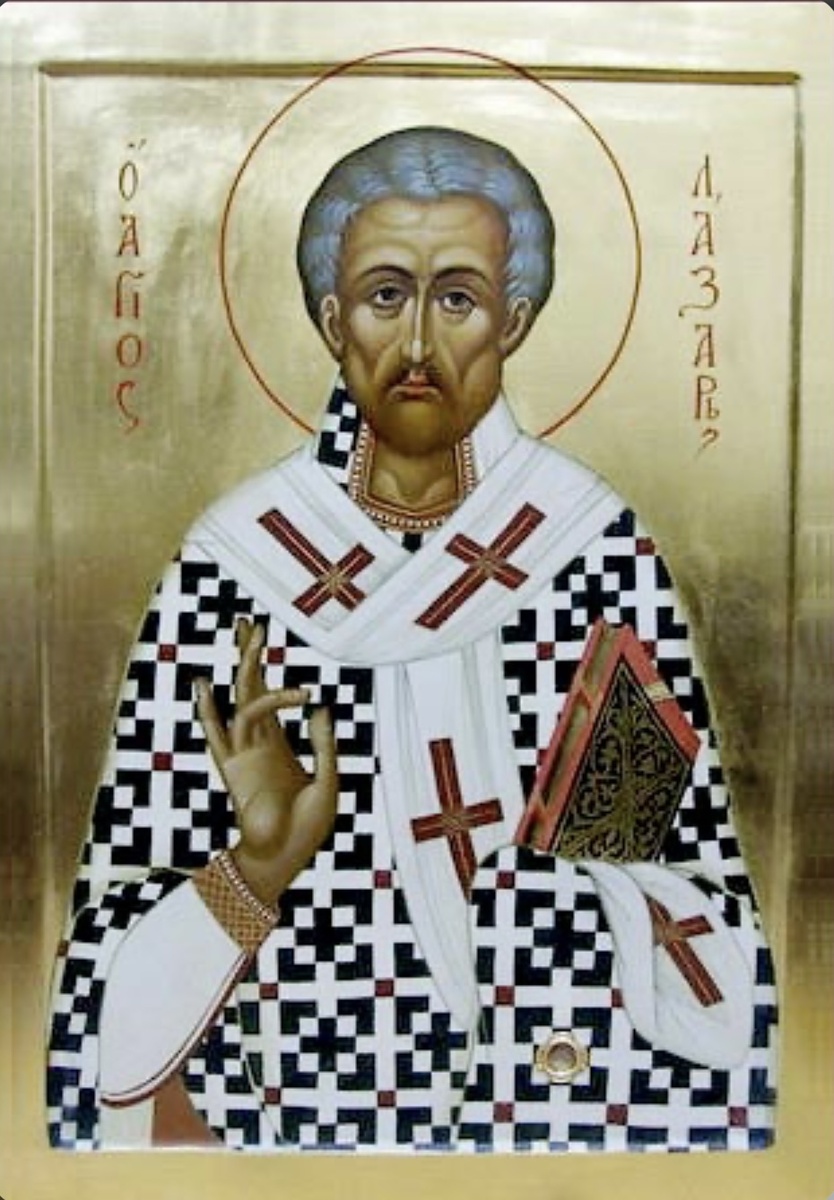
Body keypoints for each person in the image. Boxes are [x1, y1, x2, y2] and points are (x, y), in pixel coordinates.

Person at [47, 126, 777, 1154]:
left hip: (545, 1107)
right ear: (330, 318)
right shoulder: (234, 570)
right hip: (290, 1119)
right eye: (386, 295)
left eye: (459, 299)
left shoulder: (590, 554)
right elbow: (102, 984)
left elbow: (690, 904)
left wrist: (550, 903)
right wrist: (256, 868)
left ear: (514, 321)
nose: (421, 344)